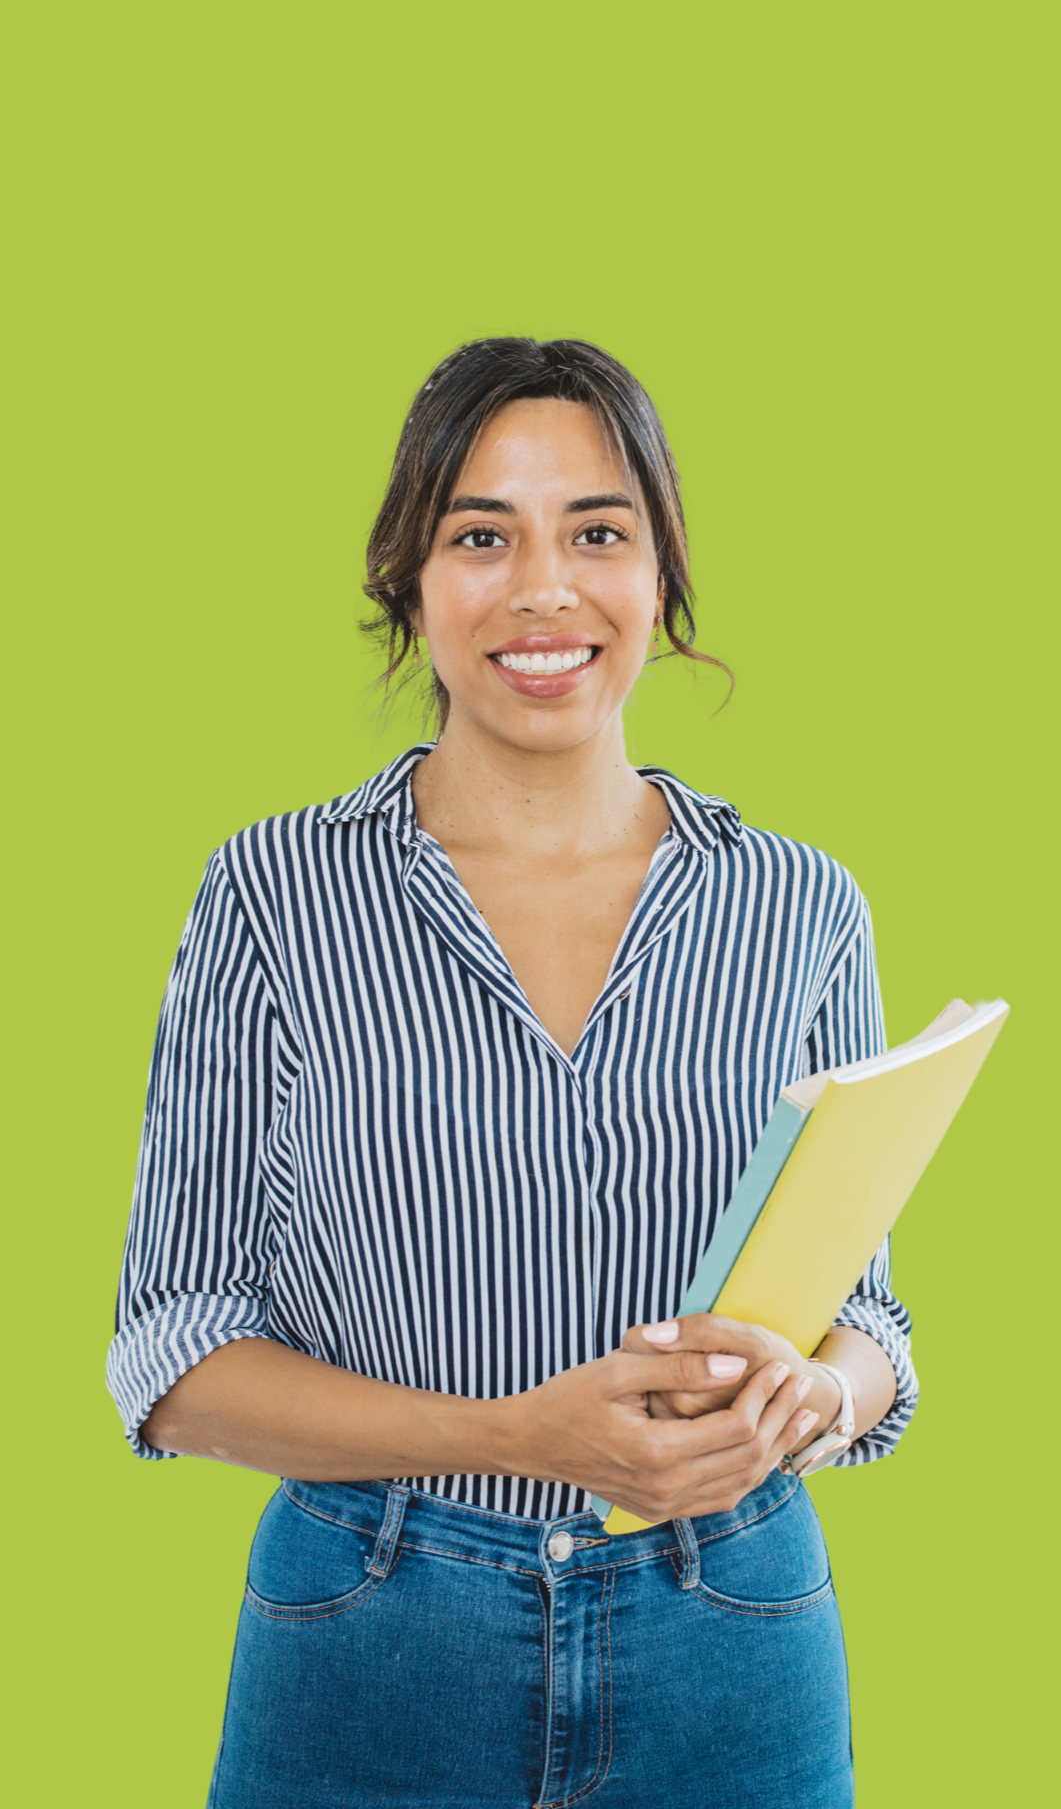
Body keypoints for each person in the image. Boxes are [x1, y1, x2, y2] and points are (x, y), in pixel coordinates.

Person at [108, 338, 917, 1809]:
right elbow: (172, 1353)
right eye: (482, 534)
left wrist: (816, 1397)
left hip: (733, 1629)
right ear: (409, 584)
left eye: (597, 531)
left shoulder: (802, 906)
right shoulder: (274, 895)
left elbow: (869, 1317)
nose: (544, 586)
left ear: (660, 576)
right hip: (370, 1630)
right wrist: (511, 1436)